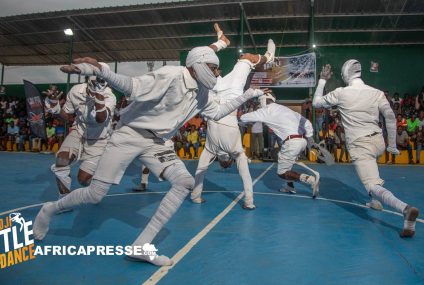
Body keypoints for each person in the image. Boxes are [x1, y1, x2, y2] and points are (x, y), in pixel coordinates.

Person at [33, 24, 272, 266]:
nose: (218, 74)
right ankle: (49, 209)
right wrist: (102, 69)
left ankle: (140, 247)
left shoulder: (203, 93)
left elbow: (219, 111)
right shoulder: (171, 75)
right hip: (129, 135)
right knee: (95, 195)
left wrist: (249, 94)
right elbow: (132, 86)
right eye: (214, 68)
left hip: (157, 142)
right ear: (197, 64)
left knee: (184, 181)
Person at [313, 60, 419, 238]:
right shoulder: (376, 93)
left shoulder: (341, 93)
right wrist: (392, 145)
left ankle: (406, 209)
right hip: (378, 143)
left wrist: (322, 80)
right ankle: (375, 202)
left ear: (346, 73)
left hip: (360, 145)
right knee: (372, 171)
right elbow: (390, 116)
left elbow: (316, 103)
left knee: (372, 185)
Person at [191, 38, 276, 209]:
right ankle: (269, 57)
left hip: (217, 92)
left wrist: (196, 195)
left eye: (222, 163)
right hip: (231, 97)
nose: (223, 163)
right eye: (225, 163)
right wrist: (249, 202)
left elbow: (201, 171)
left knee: (202, 64)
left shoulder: (211, 149)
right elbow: (243, 175)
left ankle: (221, 42)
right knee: (246, 58)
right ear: (228, 161)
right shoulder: (234, 150)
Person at [43, 73, 116, 199]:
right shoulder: (76, 91)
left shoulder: (109, 96)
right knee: (61, 160)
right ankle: (64, 199)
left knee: (83, 180)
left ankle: (100, 179)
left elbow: (100, 119)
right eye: (95, 83)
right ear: (88, 81)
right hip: (79, 131)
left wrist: (98, 96)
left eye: (102, 84)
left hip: (98, 140)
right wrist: (55, 106)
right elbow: (66, 116)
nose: (100, 86)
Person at [240, 93, 320, 197]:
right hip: (302, 141)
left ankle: (310, 180)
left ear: (263, 101)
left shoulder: (265, 111)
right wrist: (310, 139)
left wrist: (243, 116)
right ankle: (290, 187)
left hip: (291, 143)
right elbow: (307, 122)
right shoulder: (285, 109)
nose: (260, 104)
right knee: (285, 162)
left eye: (260, 102)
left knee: (282, 173)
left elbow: (243, 117)